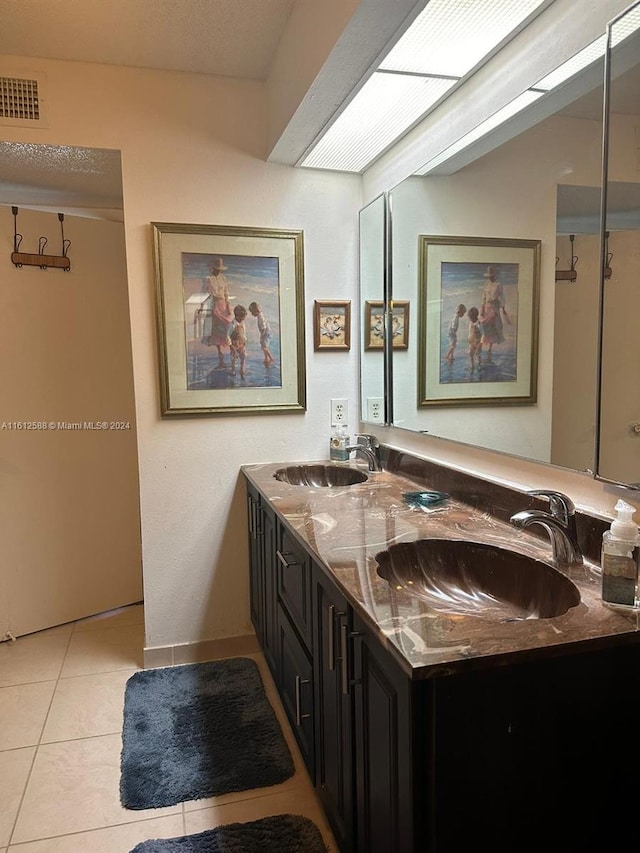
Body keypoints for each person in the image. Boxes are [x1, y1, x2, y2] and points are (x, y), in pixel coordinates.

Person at [201, 258, 234, 367]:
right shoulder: (208, 279)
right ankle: (221, 356)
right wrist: (205, 306)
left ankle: (232, 352)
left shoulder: (223, 278)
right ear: (213, 268)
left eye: (220, 269)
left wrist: (229, 306)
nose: (219, 271)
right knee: (216, 330)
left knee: (227, 326)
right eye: (217, 269)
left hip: (223, 305)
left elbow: (226, 293)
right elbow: (205, 294)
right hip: (214, 305)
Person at [479, 266, 508, 362]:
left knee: (493, 327)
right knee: (484, 325)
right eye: (489, 276)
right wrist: (482, 309)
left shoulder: (498, 285)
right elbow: (483, 297)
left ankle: (489, 349)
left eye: (492, 276)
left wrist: (503, 309)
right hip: (487, 307)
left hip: (494, 308)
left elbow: (502, 297)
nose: (490, 277)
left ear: (495, 276)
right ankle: (481, 345)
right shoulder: (486, 284)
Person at [248, 301, 275, 365]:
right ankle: (266, 358)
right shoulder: (260, 316)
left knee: (264, 347)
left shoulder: (261, 318)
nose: (252, 314)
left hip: (266, 333)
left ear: (256, 311)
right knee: (264, 346)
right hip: (266, 333)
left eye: (252, 312)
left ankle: (271, 358)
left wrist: (261, 336)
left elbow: (264, 328)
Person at [229, 304, 248, 378]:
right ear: (236, 316)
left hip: (242, 343)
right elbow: (228, 336)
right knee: (233, 358)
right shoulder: (232, 324)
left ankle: (242, 370)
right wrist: (231, 346)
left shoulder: (243, 323)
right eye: (241, 318)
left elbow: (244, 333)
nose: (242, 319)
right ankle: (233, 370)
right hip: (234, 344)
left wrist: (245, 341)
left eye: (243, 318)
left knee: (243, 357)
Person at [467, 306, 482, 372]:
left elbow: (483, 334)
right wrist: (469, 338)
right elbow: (470, 331)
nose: (470, 319)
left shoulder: (478, 324)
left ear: (474, 317)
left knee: (477, 354)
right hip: (471, 341)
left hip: (477, 342)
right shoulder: (471, 323)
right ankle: (472, 366)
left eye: (470, 318)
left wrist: (480, 344)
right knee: (470, 353)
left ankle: (479, 365)